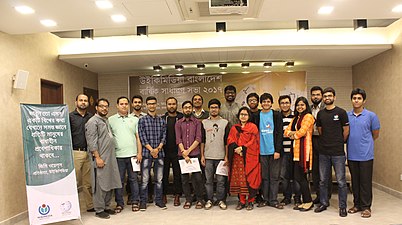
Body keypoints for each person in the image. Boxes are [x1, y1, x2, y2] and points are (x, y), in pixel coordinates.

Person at [314, 87, 349, 217]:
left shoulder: (341, 112)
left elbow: (346, 131)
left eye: (330, 96)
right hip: (323, 151)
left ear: (334, 97)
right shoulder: (321, 114)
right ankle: (324, 203)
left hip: (338, 152)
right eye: (325, 96)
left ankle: (342, 206)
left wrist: (339, 142)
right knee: (323, 180)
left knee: (341, 181)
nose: (327, 98)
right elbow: (320, 130)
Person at [85, 98, 121, 219]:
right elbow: (91, 142)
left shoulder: (105, 120)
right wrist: (98, 157)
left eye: (106, 106)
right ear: (96, 108)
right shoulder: (92, 122)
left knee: (109, 182)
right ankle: (99, 209)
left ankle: (106, 206)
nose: (104, 108)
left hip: (110, 157)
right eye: (101, 106)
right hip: (100, 157)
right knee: (100, 184)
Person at [347, 88, 380, 218]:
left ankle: (366, 207)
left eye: (359, 98)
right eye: (354, 98)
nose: (356, 100)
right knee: (355, 181)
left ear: (364, 100)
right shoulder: (347, 115)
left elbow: (375, 134)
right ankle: (357, 204)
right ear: (351, 100)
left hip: (366, 155)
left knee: (365, 182)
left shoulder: (371, 116)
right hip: (351, 154)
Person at [108, 97, 142, 213]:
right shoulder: (111, 120)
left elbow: (138, 138)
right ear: (117, 105)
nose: (124, 106)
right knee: (119, 181)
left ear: (129, 105)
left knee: (133, 179)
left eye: (126, 104)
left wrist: (139, 153)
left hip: (133, 155)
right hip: (118, 156)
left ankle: (135, 201)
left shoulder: (135, 120)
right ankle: (119, 203)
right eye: (121, 104)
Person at [284, 97, 315, 212]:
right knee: (298, 177)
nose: (300, 107)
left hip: (304, 152)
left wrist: (293, 134)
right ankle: (306, 200)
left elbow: (301, 133)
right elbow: (286, 132)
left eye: (302, 105)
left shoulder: (308, 117)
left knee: (301, 177)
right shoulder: (296, 118)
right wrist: (293, 134)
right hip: (295, 152)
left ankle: (308, 201)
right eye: (298, 105)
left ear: (306, 106)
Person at [227, 107, 261, 210]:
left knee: (249, 178)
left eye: (245, 114)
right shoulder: (234, 128)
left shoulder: (253, 127)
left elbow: (254, 141)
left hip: (250, 157)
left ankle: (250, 201)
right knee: (239, 180)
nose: (243, 116)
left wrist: (243, 148)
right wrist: (236, 148)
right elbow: (230, 139)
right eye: (241, 114)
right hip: (237, 158)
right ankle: (241, 201)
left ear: (249, 116)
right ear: (238, 116)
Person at [255, 93, 284, 209]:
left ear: (271, 103)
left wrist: (278, 150)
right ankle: (265, 199)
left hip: (274, 152)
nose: (266, 103)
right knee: (264, 177)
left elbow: (280, 134)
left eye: (268, 101)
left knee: (274, 177)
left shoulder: (276, 115)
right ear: (260, 103)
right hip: (261, 152)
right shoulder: (256, 115)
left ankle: (273, 200)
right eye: (264, 101)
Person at [138, 96, 167, 211]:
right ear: (146, 105)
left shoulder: (161, 120)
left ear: (156, 105)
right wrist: (151, 150)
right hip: (146, 154)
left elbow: (164, 136)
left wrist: (158, 149)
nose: (151, 105)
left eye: (153, 103)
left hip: (159, 154)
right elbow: (142, 137)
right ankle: (143, 202)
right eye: (149, 104)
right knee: (144, 180)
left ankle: (159, 201)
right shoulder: (142, 120)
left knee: (159, 179)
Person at [200, 99, 230, 210]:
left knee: (221, 181)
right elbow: (202, 141)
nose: (214, 109)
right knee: (208, 181)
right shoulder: (204, 123)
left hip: (221, 157)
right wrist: (202, 155)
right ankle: (209, 200)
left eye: (216, 107)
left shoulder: (225, 123)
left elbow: (227, 142)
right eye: (212, 107)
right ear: (209, 109)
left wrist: (226, 156)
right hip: (208, 157)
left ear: (219, 109)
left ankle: (221, 200)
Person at [175, 101, 204, 209]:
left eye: (189, 107)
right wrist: (184, 153)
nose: (187, 109)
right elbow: (178, 139)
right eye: (185, 107)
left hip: (195, 154)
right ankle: (188, 199)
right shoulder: (178, 123)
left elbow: (198, 138)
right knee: (184, 179)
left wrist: (188, 151)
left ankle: (199, 199)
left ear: (192, 109)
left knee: (197, 179)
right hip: (182, 155)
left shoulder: (197, 122)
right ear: (182, 109)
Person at [69, 94, 94, 212]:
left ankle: (90, 206)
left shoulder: (91, 117)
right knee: (74, 182)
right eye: (81, 100)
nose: (83, 102)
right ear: (76, 102)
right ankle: (70, 208)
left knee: (88, 183)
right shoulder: (70, 117)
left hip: (89, 153)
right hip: (75, 153)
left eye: (85, 100)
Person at [278, 95, 301, 207]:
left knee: (296, 176)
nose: (285, 105)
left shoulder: (295, 117)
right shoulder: (277, 117)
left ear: (290, 104)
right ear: (279, 105)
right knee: (284, 176)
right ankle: (286, 197)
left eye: (287, 102)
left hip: (295, 151)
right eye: (282, 103)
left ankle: (297, 198)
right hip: (282, 151)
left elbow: (298, 133)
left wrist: (290, 134)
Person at [310, 86, 332, 204]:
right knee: (315, 170)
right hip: (312, 140)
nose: (316, 97)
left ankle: (326, 196)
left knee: (325, 170)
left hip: (324, 140)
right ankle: (318, 195)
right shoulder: (308, 108)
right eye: (313, 95)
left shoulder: (326, 108)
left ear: (322, 96)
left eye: (318, 95)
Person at [161, 97, 183, 206]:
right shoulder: (162, 118)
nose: (171, 106)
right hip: (164, 151)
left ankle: (177, 195)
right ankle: (163, 194)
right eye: (169, 104)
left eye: (173, 104)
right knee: (164, 174)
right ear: (166, 105)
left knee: (177, 174)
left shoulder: (181, 117)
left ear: (177, 105)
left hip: (178, 151)